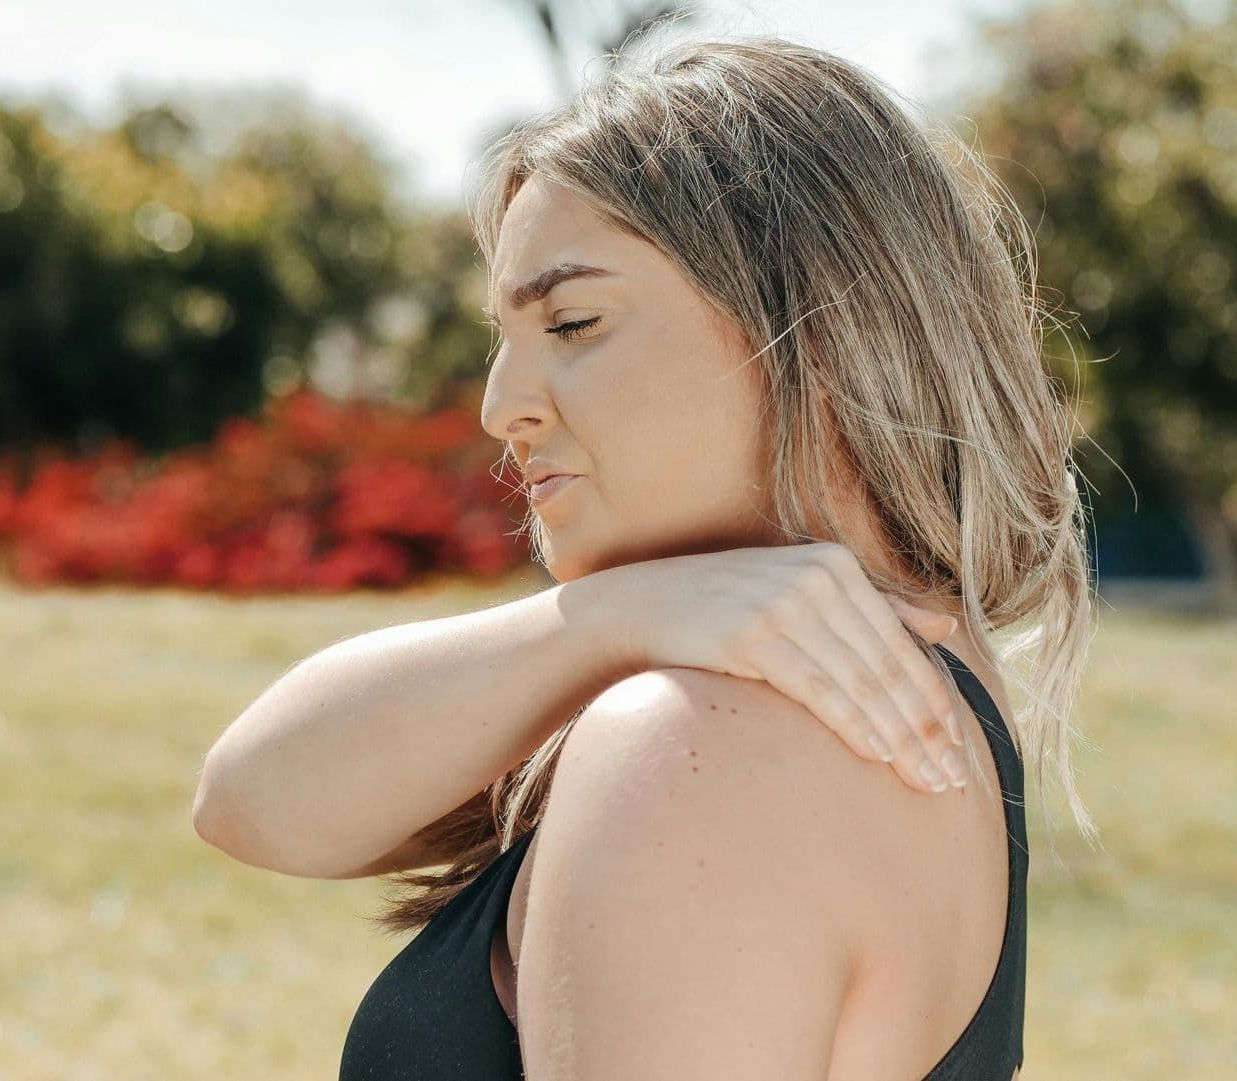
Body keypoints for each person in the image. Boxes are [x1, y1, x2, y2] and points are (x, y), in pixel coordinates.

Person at [193, 32, 1096, 1081]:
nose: (500, 406)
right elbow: (251, 801)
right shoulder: (902, 693)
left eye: (573, 321)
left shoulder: (697, 746)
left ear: (815, 326)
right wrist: (620, 617)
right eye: (504, 337)